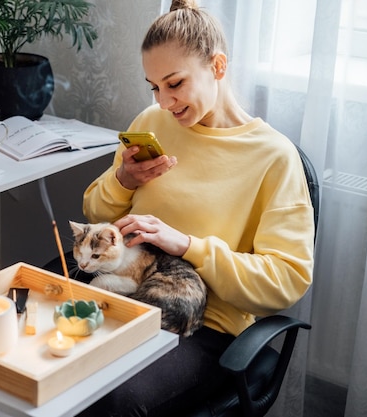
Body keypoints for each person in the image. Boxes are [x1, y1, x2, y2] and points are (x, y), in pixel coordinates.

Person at [74, 1, 315, 415]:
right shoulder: (152, 121)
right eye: (154, 86)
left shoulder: (274, 157)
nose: (164, 101)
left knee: (113, 398)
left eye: (175, 83)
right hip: (124, 288)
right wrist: (124, 181)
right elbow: (93, 209)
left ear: (217, 66)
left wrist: (187, 245)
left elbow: (286, 280)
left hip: (203, 326)